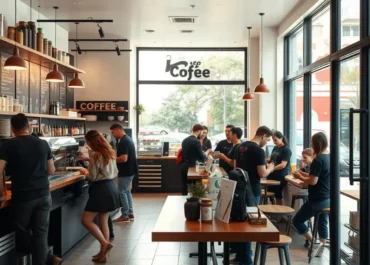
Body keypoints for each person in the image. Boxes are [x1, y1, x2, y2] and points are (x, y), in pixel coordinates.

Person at [0, 114, 62, 265]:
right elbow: (51, 170)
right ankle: (47, 258)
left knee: (20, 231)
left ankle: (49, 257)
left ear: (13, 129)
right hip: (44, 194)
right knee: (40, 234)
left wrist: (2, 194)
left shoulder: (8, 145)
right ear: (29, 126)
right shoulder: (43, 144)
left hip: (23, 196)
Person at [233, 126, 275, 265]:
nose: (267, 142)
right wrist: (271, 168)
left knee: (240, 223)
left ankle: (240, 256)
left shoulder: (240, 146)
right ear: (262, 136)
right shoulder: (259, 151)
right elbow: (262, 173)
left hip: (239, 189)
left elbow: (235, 167)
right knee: (248, 226)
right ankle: (246, 260)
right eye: (267, 139)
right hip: (252, 190)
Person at [78, 130, 121, 263]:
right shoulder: (109, 152)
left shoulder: (94, 154)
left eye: (87, 142)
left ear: (90, 141)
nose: (87, 144)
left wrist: (84, 171)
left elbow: (92, 176)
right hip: (111, 187)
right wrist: (88, 160)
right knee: (103, 222)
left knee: (86, 220)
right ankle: (103, 255)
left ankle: (104, 243)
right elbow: (108, 169)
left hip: (100, 189)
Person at [292, 132, 330, 257]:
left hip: (317, 199)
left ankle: (312, 242)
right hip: (328, 197)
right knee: (322, 222)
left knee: (297, 220)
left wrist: (301, 178)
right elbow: (316, 177)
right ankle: (321, 247)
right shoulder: (329, 157)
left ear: (316, 143)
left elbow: (313, 181)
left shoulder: (317, 160)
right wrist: (301, 175)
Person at [110, 123, 138, 223]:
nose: (113, 134)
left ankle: (125, 215)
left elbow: (124, 158)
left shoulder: (123, 141)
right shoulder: (128, 139)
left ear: (118, 130)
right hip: (131, 170)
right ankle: (130, 212)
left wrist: (112, 159)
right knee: (127, 192)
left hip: (125, 171)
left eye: (113, 132)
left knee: (122, 192)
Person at [181, 124, 212, 195]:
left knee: (185, 186)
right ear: (199, 131)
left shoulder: (185, 140)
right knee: (195, 188)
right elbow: (203, 156)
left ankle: (185, 203)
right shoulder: (197, 141)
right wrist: (207, 152)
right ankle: (194, 204)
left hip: (184, 166)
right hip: (193, 168)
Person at [266, 131, 292, 205]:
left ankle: (279, 215)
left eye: (275, 140)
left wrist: (272, 169)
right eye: (273, 140)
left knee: (278, 195)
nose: (274, 142)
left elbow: (283, 164)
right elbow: (271, 159)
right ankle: (272, 211)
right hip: (272, 174)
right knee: (270, 194)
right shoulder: (275, 148)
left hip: (280, 175)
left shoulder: (286, 150)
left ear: (281, 138)